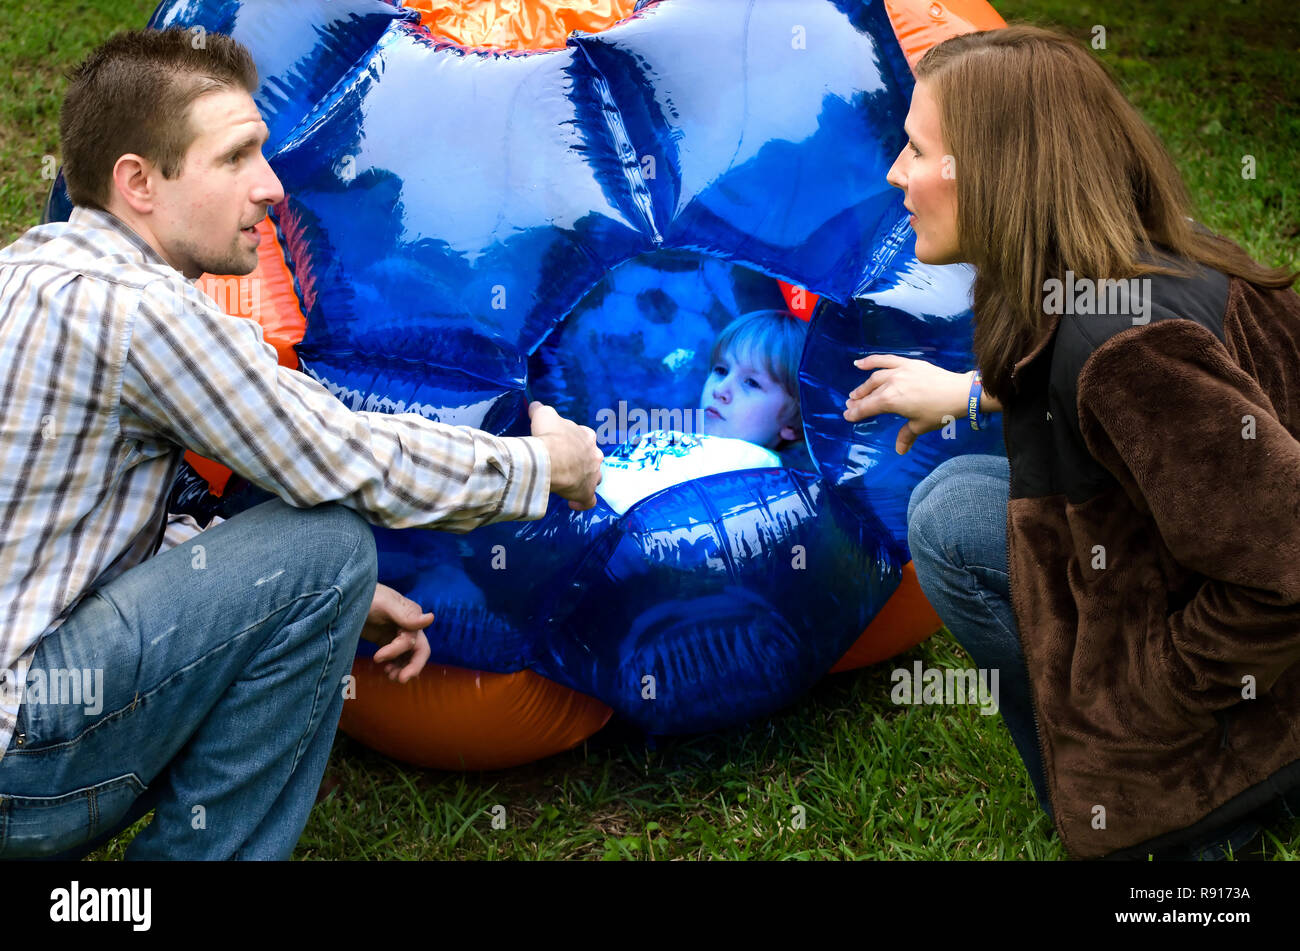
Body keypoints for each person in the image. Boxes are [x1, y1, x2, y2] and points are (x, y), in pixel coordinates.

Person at [0, 29, 602, 860]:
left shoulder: (26, 272)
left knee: (315, 570)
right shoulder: (141, 314)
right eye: (238, 157)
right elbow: (339, 450)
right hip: (20, 762)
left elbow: (80, 523)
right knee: (323, 544)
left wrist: (299, 600)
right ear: (138, 181)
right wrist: (544, 467)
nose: (271, 186)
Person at [843, 25, 1300, 860]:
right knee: (956, 505)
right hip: (1188, 581)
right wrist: (966, 392)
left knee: (950, 520)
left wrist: (1145, 700)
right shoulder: (1120, 264)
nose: (896, 175)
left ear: (996, 172)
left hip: (1266, 698)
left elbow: (1286, 562)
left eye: (916, 151)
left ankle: (1166, 811)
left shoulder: (1121, 351)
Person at [596, 309, 807, 514]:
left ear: (792, 424)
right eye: (721, 370)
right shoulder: (696, 445)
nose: (719, 390)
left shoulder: (753, 469)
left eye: (751, 382)